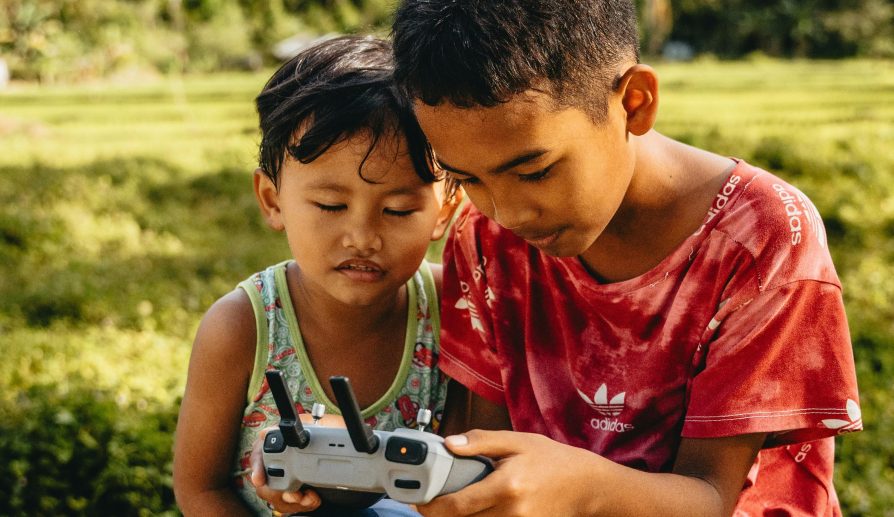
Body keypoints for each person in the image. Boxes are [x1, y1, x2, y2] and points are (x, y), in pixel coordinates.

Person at [388, 1, 863, 516]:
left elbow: (711, 497)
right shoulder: (484, 241)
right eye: (467, 179)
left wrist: (580, 489)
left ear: (634, 102)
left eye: (534, 172)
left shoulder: (761, 237)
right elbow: (480, 452)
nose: (508, 213)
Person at [172, 35, 463, 516]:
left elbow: (464, 479)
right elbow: (199, 490)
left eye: (398, 209)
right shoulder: (242, 329)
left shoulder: (452, 311)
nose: (362, 237)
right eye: (331, 205)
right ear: (272, 200)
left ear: (443, 211)